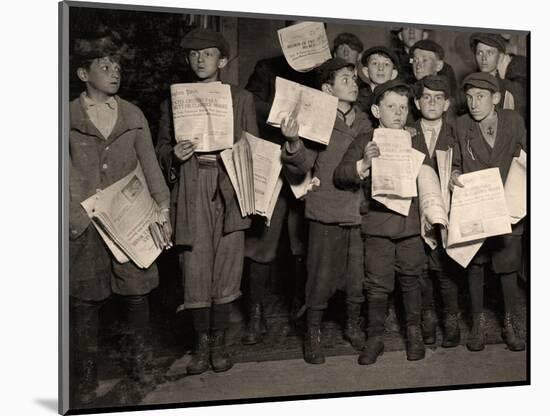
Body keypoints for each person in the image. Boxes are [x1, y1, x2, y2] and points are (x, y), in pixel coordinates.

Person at [69, 32, 171, 404]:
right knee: (84, 301)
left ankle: (140, 365)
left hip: (129, 222)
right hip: (84, 225)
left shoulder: (133, 114)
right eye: (105, 66)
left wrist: (162, 209)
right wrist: (71, 217)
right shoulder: (65, 116)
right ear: (83, 73)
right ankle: (84, 376)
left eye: (118, 66)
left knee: (137, 294)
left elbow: (151, 167)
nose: (114, 72)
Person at [155, 28, 258, 374]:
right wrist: (175, 153)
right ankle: (200, 344)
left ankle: (220, 343)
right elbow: (160, 149)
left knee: (228, 265)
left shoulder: (241, 98)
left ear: (223, 60)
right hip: (191, 182)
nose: (200, 60)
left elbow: (254, 147)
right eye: (194, 55)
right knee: (195, 266)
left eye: (209, 54)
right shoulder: (173, 101)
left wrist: (241, 154)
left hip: (229, 183)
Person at [281, 58, 372, 364]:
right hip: (326, 207)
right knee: (320, 276)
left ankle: (352, 325)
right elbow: (304, 163)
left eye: (354, 78)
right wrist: (293, 141)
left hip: (357, 209)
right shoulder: (317, 120)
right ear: (326, 88)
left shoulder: (365, 121)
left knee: (356, 275)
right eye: (345, 78)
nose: (353, 82)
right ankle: (313, 333)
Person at [334, 79, 429, 364]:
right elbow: (340, 175)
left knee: (412, 278)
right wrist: (363, 164)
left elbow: (431, 175)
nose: (398, 113)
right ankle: (375, 337)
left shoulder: (415, 138)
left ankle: (414, 333)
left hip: (410, 224)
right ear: (377, 110)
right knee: (377, 284)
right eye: (391, 106)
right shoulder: (366, 139)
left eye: (403, 107)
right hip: (376, 224)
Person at [241, 28, 318, 345]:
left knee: (303, 243)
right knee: (263, 243)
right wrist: (282, 115)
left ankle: (301, 312)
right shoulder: (266, 68)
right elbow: (249, 105)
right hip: (271, 163)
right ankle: (255, 314)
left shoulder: (321, 74)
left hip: (306, 165)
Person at [450, 72, 526, 352]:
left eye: (480, 97)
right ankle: (477, 326)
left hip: (509, 208)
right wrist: (453, 173)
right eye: (469, 97)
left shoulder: (514, 121)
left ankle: (511, 324)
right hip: (477, 208)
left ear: (495, 98)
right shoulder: (460, 125)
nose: (473, 103)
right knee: (476, 266)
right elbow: (454, 161)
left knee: (508, 268)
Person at [412, 75, 461, 347]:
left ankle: (451, 322)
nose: (432, 102)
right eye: (426, 97)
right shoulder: (406, 132)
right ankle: (427, 320)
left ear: (447, 104)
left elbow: (464, 164)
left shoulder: (456, 132)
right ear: (417, 103)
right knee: (420, 269)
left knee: (446, 269)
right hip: (414, 212)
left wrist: (456, 172)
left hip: (447, 212)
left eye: (438, 97)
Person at [469, 32, 526, 120]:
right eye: (479, 53)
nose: (484, 58)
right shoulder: (467, 90)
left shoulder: (512, 90)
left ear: (500, 57)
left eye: (490, 53)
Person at [355, 46, 399, 116]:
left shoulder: (400, 98)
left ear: (393, 73)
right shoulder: (357, 98)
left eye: (386, 64)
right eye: (375, 63)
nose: (380, 68)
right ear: (366, 71)